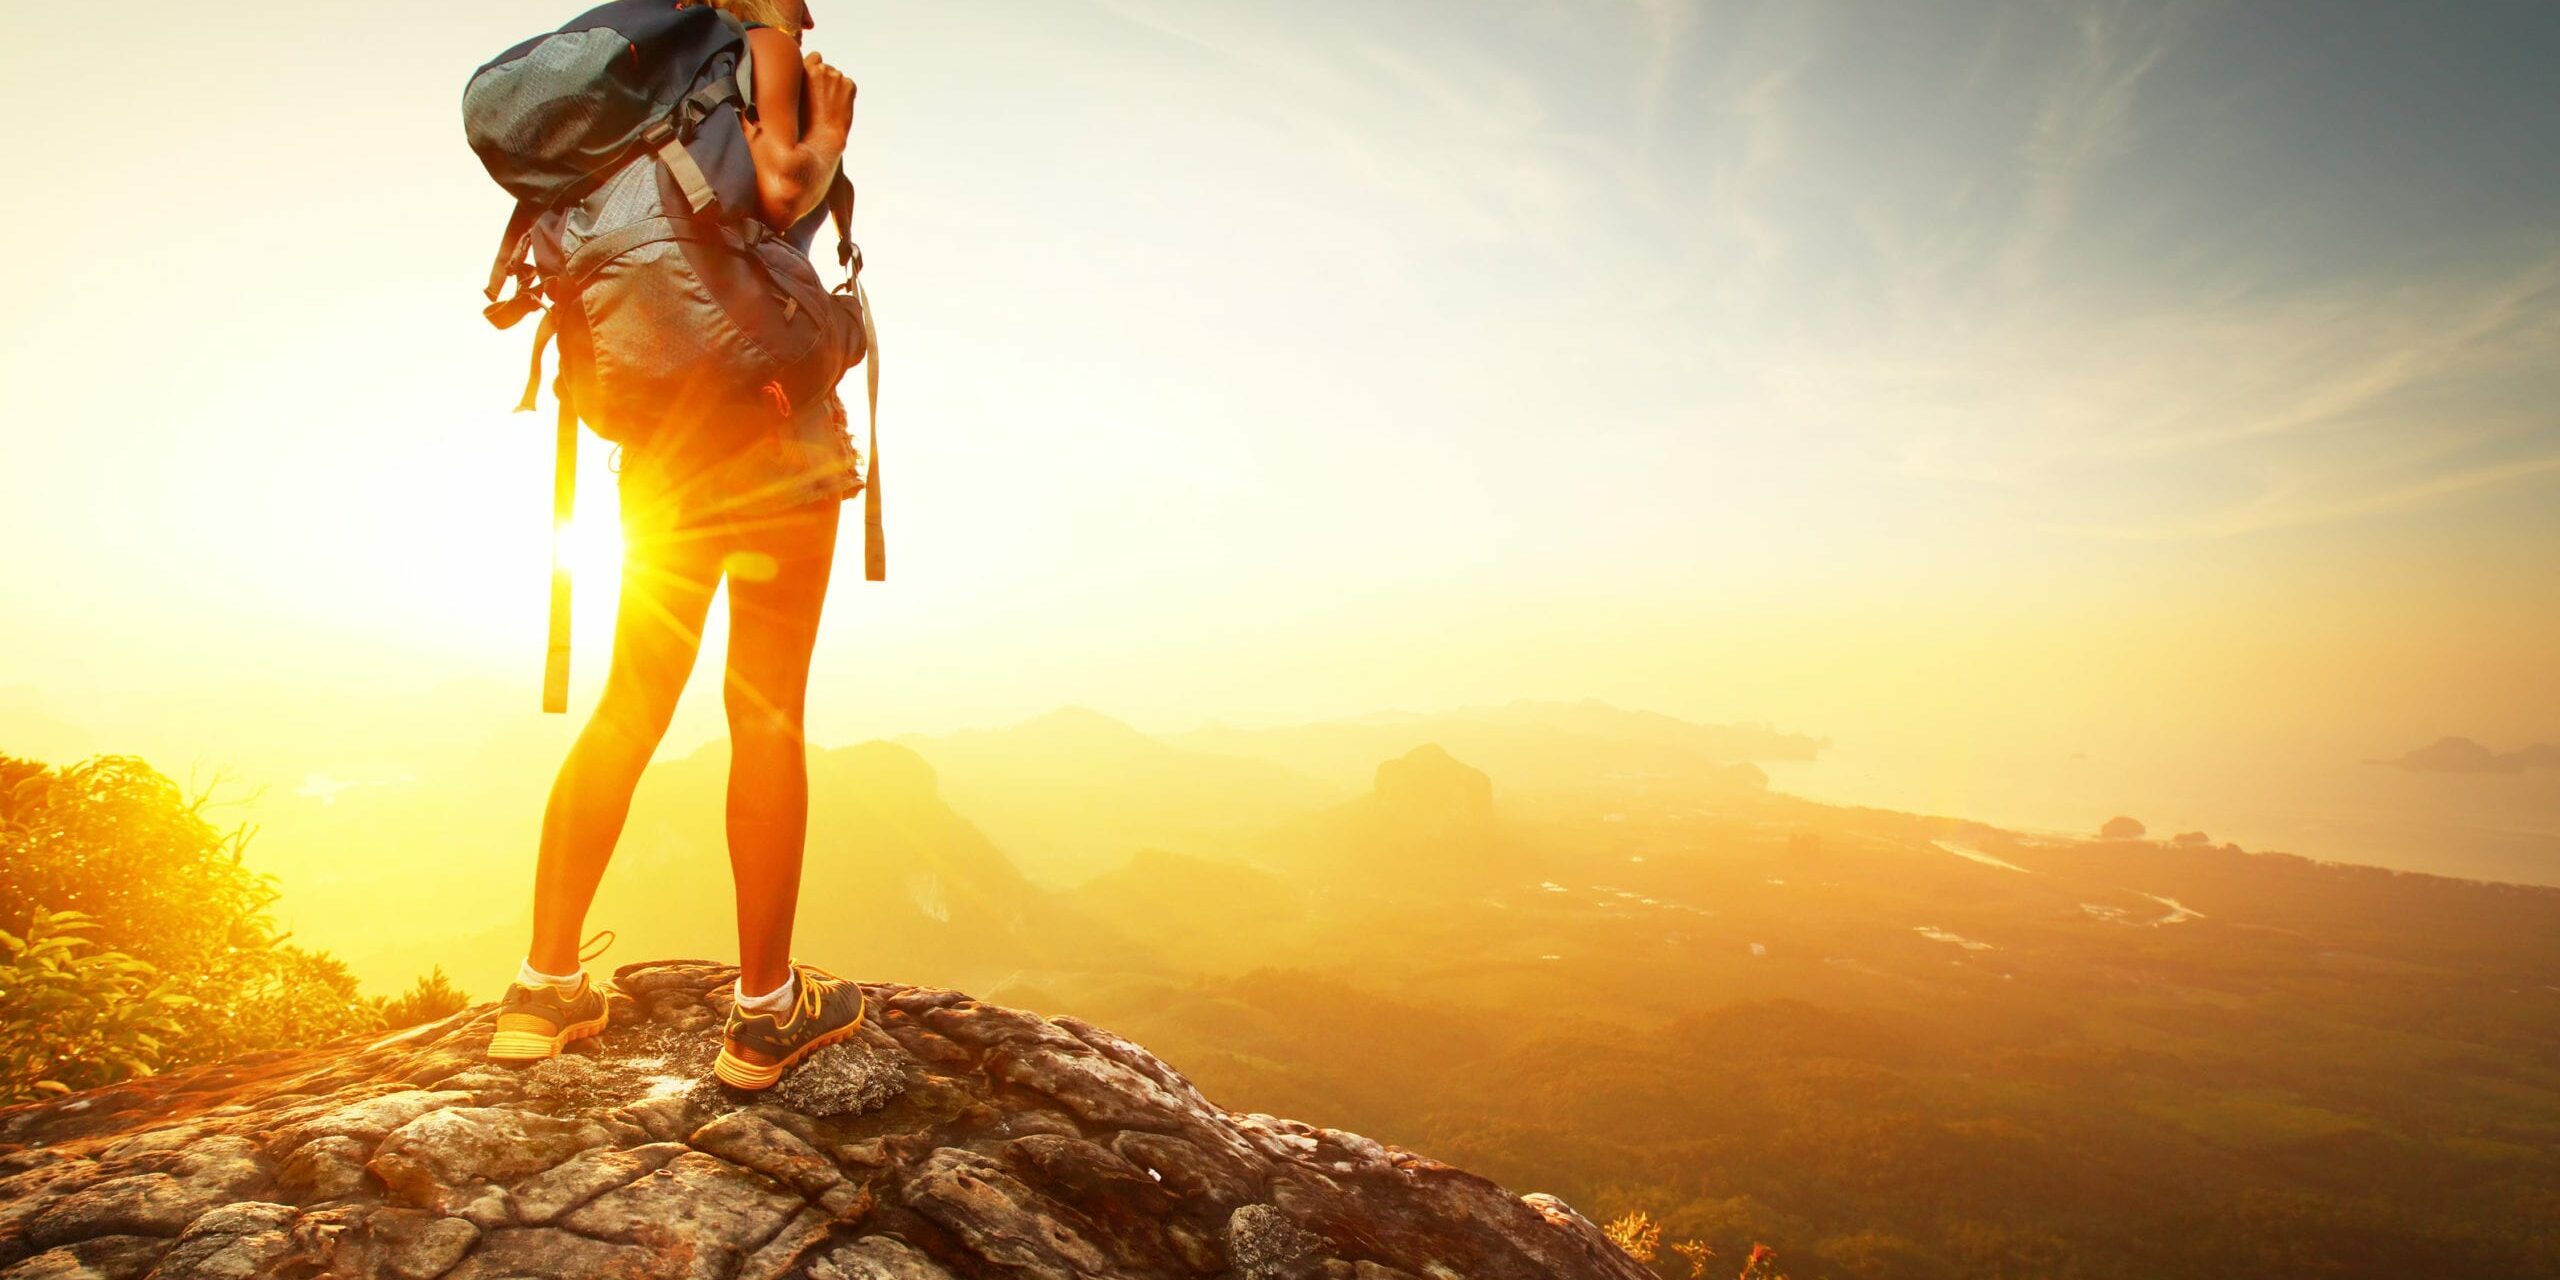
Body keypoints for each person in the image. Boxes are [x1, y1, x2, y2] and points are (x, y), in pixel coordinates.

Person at [485, 0, 869, 1092]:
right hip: (775, 435)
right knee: (766, 709)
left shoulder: (628, 78)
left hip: (658, 448)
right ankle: (763, 1011)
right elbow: (780, 191)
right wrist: (825, 148)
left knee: (632, 702)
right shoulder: (760, 48)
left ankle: (541, 985)